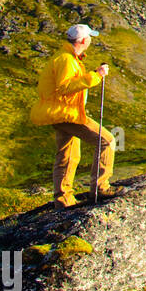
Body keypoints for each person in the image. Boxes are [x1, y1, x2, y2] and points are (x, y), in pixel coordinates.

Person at [29, 23, 122, 208]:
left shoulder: (69, 58)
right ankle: (100, 188)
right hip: (65, 114)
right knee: (107, 140)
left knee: (68, 155)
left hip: (62, 113)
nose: (90, 41)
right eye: (89, 38)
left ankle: (64, 200)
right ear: (83, 40)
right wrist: (95, 76)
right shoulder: (66, 60)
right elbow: (64, 87)